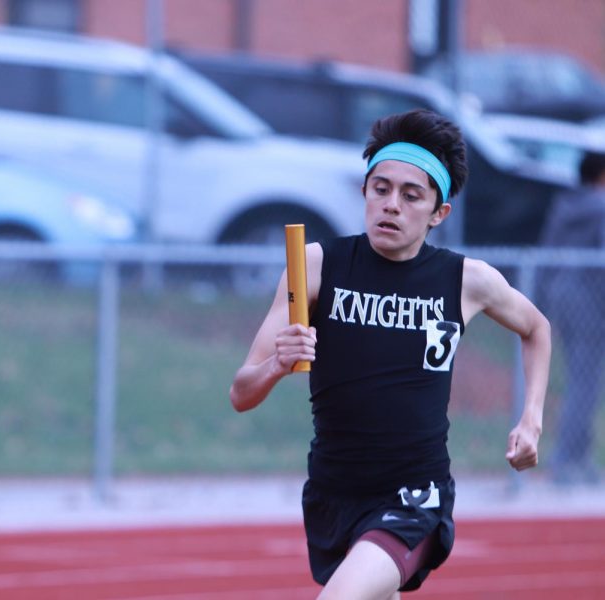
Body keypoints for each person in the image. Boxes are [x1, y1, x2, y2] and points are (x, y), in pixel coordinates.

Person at [229, 109, 551, 599]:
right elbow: (240, 393)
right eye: (380, 189)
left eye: (410, 195)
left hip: (414, 496)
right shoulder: (316, 266)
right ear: (364, 192)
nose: (392, 205)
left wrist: (531, 419)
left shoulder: (466, 281)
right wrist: (277, 364)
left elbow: (537, 328)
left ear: (438, 212)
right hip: (333, 492)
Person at [540, 149, 605, 485]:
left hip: (560, 295)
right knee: (586, 384)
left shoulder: (564, 205)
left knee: (581, 381)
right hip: (589, 302)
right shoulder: (600, 206)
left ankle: (577, 457)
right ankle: (567, 459)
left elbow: (548, 251)